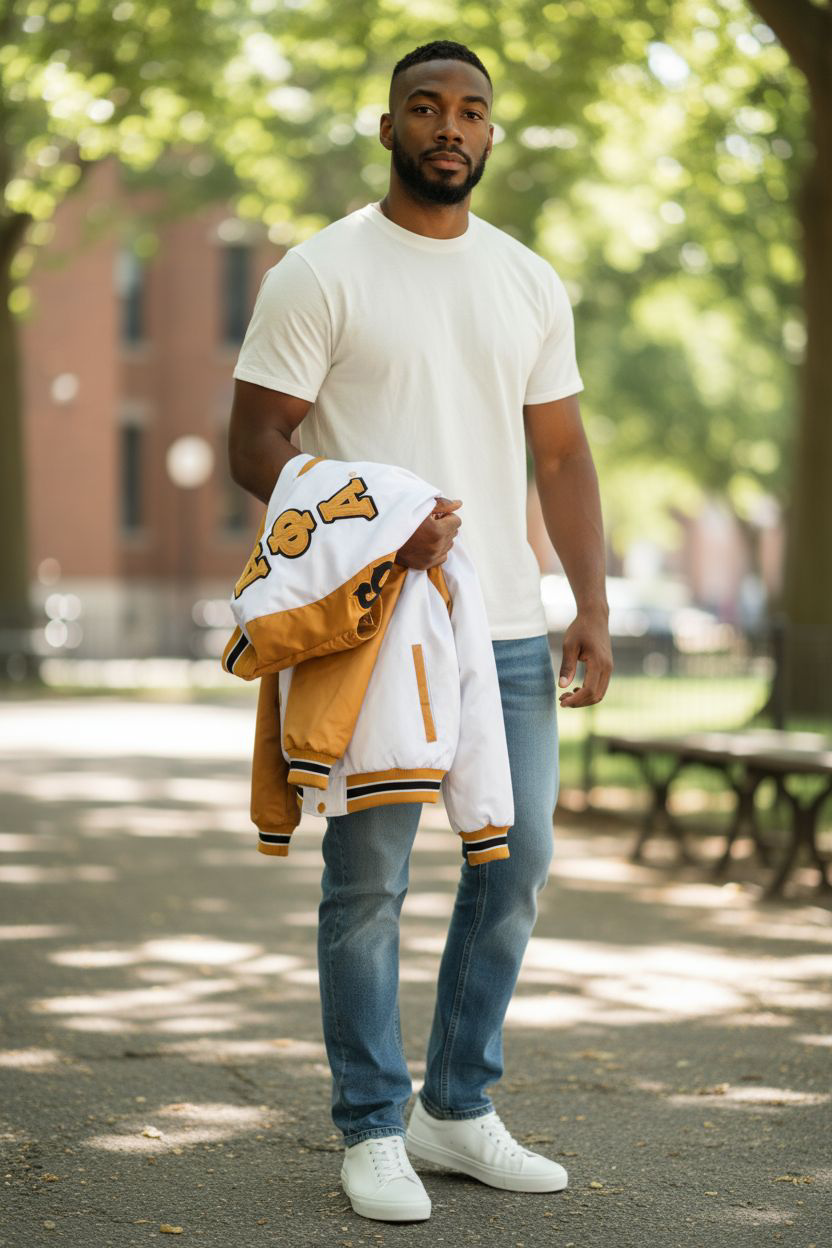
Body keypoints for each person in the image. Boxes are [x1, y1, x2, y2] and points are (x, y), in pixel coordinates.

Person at [228, 38, 613, 1224]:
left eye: (471, 111)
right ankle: (371, 1126)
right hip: (377, 623)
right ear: (387, 125)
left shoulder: (527, 280)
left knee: (517, 866)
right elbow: (256, 442)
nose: (450, 125)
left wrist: (590, 606)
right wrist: (376, 531)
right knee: (369, 880)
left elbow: (560, 454)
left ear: (491, 134)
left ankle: (457, 1107)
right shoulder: (320, 270)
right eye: (426, 107)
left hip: (500, 626)